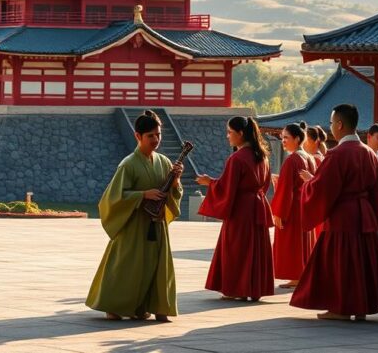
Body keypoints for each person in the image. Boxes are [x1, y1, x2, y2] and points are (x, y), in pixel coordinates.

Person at [290, 103, 378, 321]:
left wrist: (308, 184)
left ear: (340, 124)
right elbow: (377, 191)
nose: (332, 126)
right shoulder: (370, 154)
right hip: (365, 215)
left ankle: (340, 308)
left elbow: (324, 189)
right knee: (362, 261)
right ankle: (361, 306)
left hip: (343, 215)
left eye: (333, 122)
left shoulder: (337, 154)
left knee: (341, 262)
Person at [86, 110, 183, 322]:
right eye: (150, 136)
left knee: (157, 267)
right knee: (126, 267)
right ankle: (113, 306)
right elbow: (113, 198)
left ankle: (154, 306)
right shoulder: (128, 164)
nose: (156, 140)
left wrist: (175, 183)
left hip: (156, 224)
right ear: (137, 136)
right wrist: (142, 195)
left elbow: (173, 193)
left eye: (158, 134)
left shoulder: (165, 162)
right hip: (133, 224)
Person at [196, 116, 274, 302]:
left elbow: (227, 187)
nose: (227, 136)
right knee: (255, 249)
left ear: (240, 133)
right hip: (257, 206)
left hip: (241, 209)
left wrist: (210, 183)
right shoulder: (262, 156)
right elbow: (264, 185)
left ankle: (236, 289)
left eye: (230, 132)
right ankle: (254, 288)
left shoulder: (237, 158)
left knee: (236, 250)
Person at [270, 123, 317, 288]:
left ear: (297, 139)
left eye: (286, 138)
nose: (283, 141)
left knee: (293, 242)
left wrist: (278, 213)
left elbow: (286, 189)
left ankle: (296, 275)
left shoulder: (292, 160)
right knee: (303, 241)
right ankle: (301, 273)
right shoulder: (309, 157)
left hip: (292, 207)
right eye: (282, 137)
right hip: (304, 204)